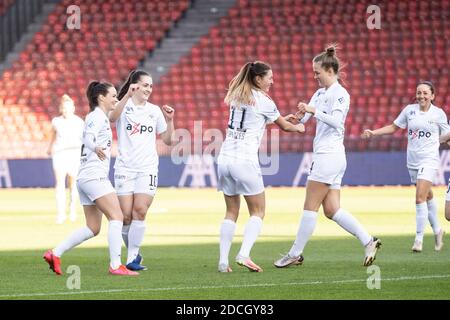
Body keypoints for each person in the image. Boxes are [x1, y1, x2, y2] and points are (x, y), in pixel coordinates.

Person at [274, 45, 380, 269]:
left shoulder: (340, 94)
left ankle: (295, 253)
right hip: (329, 156)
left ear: (330, 71)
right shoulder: (321, 93)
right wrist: (298, 118)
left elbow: (336, 122)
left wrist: (314, 111)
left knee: (310, 206)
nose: (315, 76)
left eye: (317, 72)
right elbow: (307, 121)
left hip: (328, 156)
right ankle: (369, 241)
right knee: (332, 210)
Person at [217, 61, 305, 273]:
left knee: (231, 211)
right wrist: (298, 127)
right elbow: (285, 127)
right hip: (245, 161)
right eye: (269, 77)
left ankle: (222, 262)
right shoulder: (264, 100)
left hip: (224, 159)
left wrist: (279, 119)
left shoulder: (237, 95)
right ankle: (244, 254)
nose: (272, 81)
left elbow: (251, 121)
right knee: (258, 211)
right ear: (258, 79)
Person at [43, 81, 138, 276]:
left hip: (85, 177)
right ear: (101, 97)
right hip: (94, 175)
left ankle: (55, 253)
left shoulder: (100, 116)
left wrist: (127, 95)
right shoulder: (96, 117)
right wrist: (95, 148)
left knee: (93, 227)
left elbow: (114, 114)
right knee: (117, 216)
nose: (115, 99)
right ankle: (115, 266)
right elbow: (86, 138)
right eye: (113, 95)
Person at [363, 81, 448, 252]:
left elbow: (447, 134)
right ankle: (438, 231)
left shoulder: (439, 114)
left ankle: (418, 239)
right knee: (428, 196)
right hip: (412, 160)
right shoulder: (409, 110)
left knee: (419, 198)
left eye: (425, 93)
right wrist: (374, 132)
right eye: (419, 93)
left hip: (429, 160)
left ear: (432, 96)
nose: (421, 96)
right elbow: (394, 127)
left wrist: (441, 141)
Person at [109, 70, 175, 271]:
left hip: (147, 168)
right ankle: (134, 253)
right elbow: (112, 117)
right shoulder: (123, 106)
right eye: (145, 85)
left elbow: (168, 140)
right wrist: (127, 95)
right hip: (124, 167)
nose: (149, 89)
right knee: (126, 216)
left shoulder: (154, 111)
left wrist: (170, 120)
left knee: (140, 211)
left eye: (151, 86)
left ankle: (132, 258)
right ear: (134, 85)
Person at [47, 94, 84, 224]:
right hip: (60, 153)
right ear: (61, 108)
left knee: (73, 184)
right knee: (60, 183)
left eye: (68, 108)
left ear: (73, 108)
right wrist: (49, 148)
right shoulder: (56, 121)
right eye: (64, 108)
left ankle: (72, 209)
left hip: (74, 153)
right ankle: (61, 213)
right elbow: (52, 135)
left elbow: (84, 140)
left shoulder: (79, 122)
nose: (66, 110)